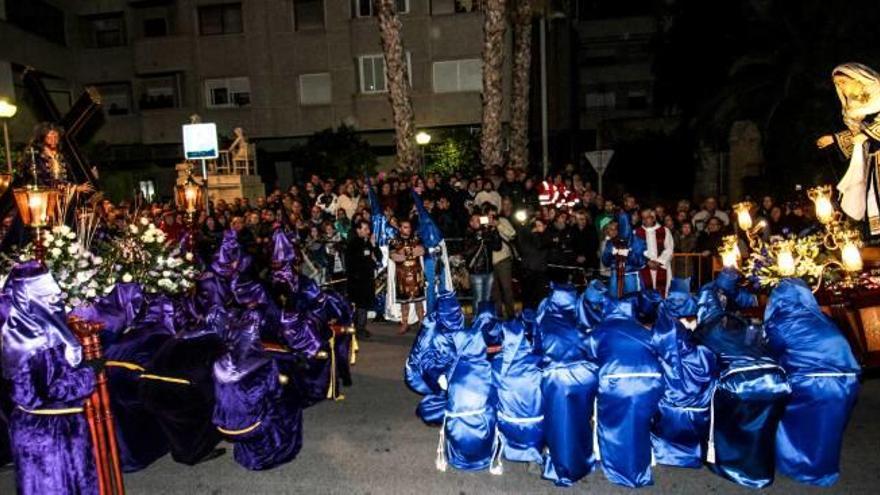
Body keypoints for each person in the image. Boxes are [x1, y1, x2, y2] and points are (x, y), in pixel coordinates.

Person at [389, 220, 426, 334]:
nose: (408, 229)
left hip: (416, 274)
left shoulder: (416, 238)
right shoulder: (394, 241)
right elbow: (394, 256)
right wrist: (410, 252)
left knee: (419, 302)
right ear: (400, 228)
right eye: (405, 227)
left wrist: (404, 252)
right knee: (404, 303)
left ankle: (421, 324)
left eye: (409, 227)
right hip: (402, 275)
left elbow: (421, 251)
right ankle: (405, 324)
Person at [345, 220, 380, 339]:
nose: (368, 231)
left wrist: (374, 245)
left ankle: (360, 328)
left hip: (367, 279)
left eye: (368, 229)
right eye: (365, 229)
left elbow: (379, 257)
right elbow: (352, 263)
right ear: (358, 230)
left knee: (363, 304)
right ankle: (359, 329)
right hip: (357, 280)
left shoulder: (368, 243)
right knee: (360, 305)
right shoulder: (353, 244)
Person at [462, 213, 502, 309]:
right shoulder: (469, 234)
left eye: (480, 219)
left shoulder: (486, 233)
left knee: (487, 299)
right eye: (476, 220)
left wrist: (493, 229)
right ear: (471, 223)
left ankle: (486, 320)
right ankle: (477, 320)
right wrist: (480, 237)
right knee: (478, 299)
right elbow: (467, 252)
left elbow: (497, 247)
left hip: (489, 271)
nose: (479, 222)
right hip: (476, 272)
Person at [635, 208, 674, 296]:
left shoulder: (664, 231)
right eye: (643, 218)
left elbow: (669, 249)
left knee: (663, 293)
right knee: (646, 294)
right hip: (644, 266)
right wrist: (647, 262)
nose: (645, 220)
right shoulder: (637, 233)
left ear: (653, 218)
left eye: (648, 217)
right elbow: (636, 251)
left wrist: (659, 262)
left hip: (661, 266)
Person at [516, 217, 552, 309]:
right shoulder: (529, 237)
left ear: (545, 226)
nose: (536, 228)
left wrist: (535, 233)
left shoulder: (546, 236)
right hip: (528, 271)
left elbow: (539, 244)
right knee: (527, 297)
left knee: (539, 298)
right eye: (535, 226)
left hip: (540, 272)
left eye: (539, 225)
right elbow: (520, 244)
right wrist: (524, 226)